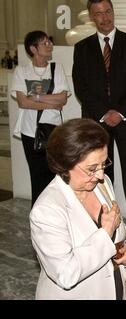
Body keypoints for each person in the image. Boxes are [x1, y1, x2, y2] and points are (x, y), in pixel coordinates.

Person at [30, 118, 126, 299]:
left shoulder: (102, 184)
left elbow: (119, 227)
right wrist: (105, 233)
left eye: (103, 164)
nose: (100, 174)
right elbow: (66, 274)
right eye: (92, 169)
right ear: (65, 165)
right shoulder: (47, 210)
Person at [72, 0, 126, 236]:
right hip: (97, 124)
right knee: (100, 178)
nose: (105, 18)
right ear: (92, 17)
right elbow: (81, 88)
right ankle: (105, 228)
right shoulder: (82, 48)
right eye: (98, 14)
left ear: (113, 12)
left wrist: (119, 112)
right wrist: (104, 114)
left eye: (107, 12)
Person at [10, 30, 69, 206]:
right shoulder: (22, 71)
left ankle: (55, 215)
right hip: (30, 130)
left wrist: (35, 97)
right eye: (44, 43)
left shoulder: (56, 69)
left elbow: (63, 99)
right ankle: (38, 216)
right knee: (37, 176)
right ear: (33, 48)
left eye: (49, 42)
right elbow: (23, 102)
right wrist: (51, 102)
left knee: (55, 175)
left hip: (54, 131)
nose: (50, 45)